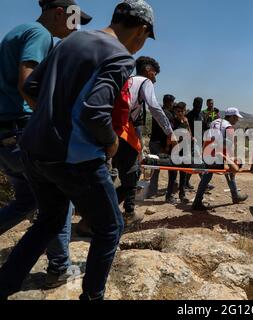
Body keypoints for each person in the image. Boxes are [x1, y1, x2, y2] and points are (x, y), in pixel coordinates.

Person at [0, 0, 156, 301]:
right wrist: (111, 142)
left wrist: (50, 119)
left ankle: (5, 284)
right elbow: (94, 113)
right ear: (142, 30)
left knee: (50, 220)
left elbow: (31, 87)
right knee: (110, 228)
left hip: (33, 147)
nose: (140, 46)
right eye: (145, 38)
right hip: (74, 156)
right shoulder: (119, 56)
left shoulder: (72, 41)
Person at [0, 0, 92, 289]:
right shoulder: (40, 34)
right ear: (58, 13)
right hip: (23, 130)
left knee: (27, 201)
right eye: (74, 20)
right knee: (59, 203)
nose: (76, 28)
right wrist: (54, 125)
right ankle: (59, 268)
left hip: (6, 136)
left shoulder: (18, 31)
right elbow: (28, 85)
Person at [112, 56, 174, 225]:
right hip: (123, 131)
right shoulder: (144, 82)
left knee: (127, 175)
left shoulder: (128, 81)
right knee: (131, 177)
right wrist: (169, 131)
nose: (155, 79)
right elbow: (154, 106)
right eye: (154, 74)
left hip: (113, 131)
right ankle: (103, 215)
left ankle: (126, 211)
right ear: (148, 70)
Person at [192, 108, 248, 211]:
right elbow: (228, 147)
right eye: (236, 117)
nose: (237, 120)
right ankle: (235, 195)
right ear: (231, 116)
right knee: (231, 169)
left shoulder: (215, 121)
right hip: (215, 156)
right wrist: (231, 161)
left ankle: (197, 200)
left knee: (207, 175)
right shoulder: (229, 127)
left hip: (207, 154)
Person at [148, 94, 176, 197]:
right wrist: (167, 147)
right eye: (172, 102)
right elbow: (169, 132)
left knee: (154, 167)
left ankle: (152, 191)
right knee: (171, 168)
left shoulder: (158, 112)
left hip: (153, 142)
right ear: (169, 103)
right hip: (161, 144)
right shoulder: (168, 114)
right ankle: (169, 192)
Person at [166, 102, 191, 204]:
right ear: (175, 112)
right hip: (175, 150)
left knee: (183, 174)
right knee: (173, 174)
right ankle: (169, 196)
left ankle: (182, 195)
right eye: (178, 111)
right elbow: (170, 136)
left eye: (182, 111)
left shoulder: (186, 120)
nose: (180, 113)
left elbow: (189, 132)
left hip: (185, 150)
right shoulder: (172, 122)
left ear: (185, 111)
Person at [185, 97, 205, 190]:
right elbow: (186, 129)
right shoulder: (189, 115)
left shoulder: (201, 116)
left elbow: (204, 128)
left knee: (197, 162)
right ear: (193, 104)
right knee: (194, 162)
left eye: (200, 104)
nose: (198, 106)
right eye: (197, 104)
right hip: (191, 143)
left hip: (200, 142)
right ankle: (204, 182)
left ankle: (187, 182)